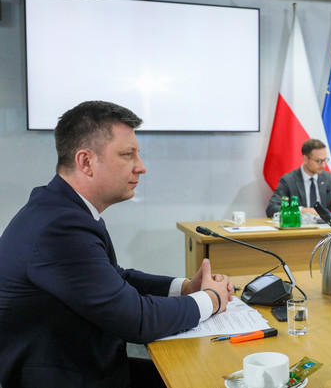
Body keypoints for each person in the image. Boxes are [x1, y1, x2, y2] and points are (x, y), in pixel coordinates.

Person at [0, 101, 234, 388]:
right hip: (70, 376)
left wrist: (185, 288)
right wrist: (212, 299)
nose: (141, 167)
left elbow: (115, 277)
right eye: (128, 155)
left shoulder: (64, 209)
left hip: (85, 363)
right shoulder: (60, 227)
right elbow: (137, 320)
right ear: (86, 162)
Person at [266, 139, 331, 219]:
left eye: (325, 160)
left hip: (324, 229)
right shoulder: (288, 180)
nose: (323, 165)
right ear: (305, 159)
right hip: (299, 231)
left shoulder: (328, 178)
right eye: (319, 161)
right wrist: (303, 210)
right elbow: (272, 208)